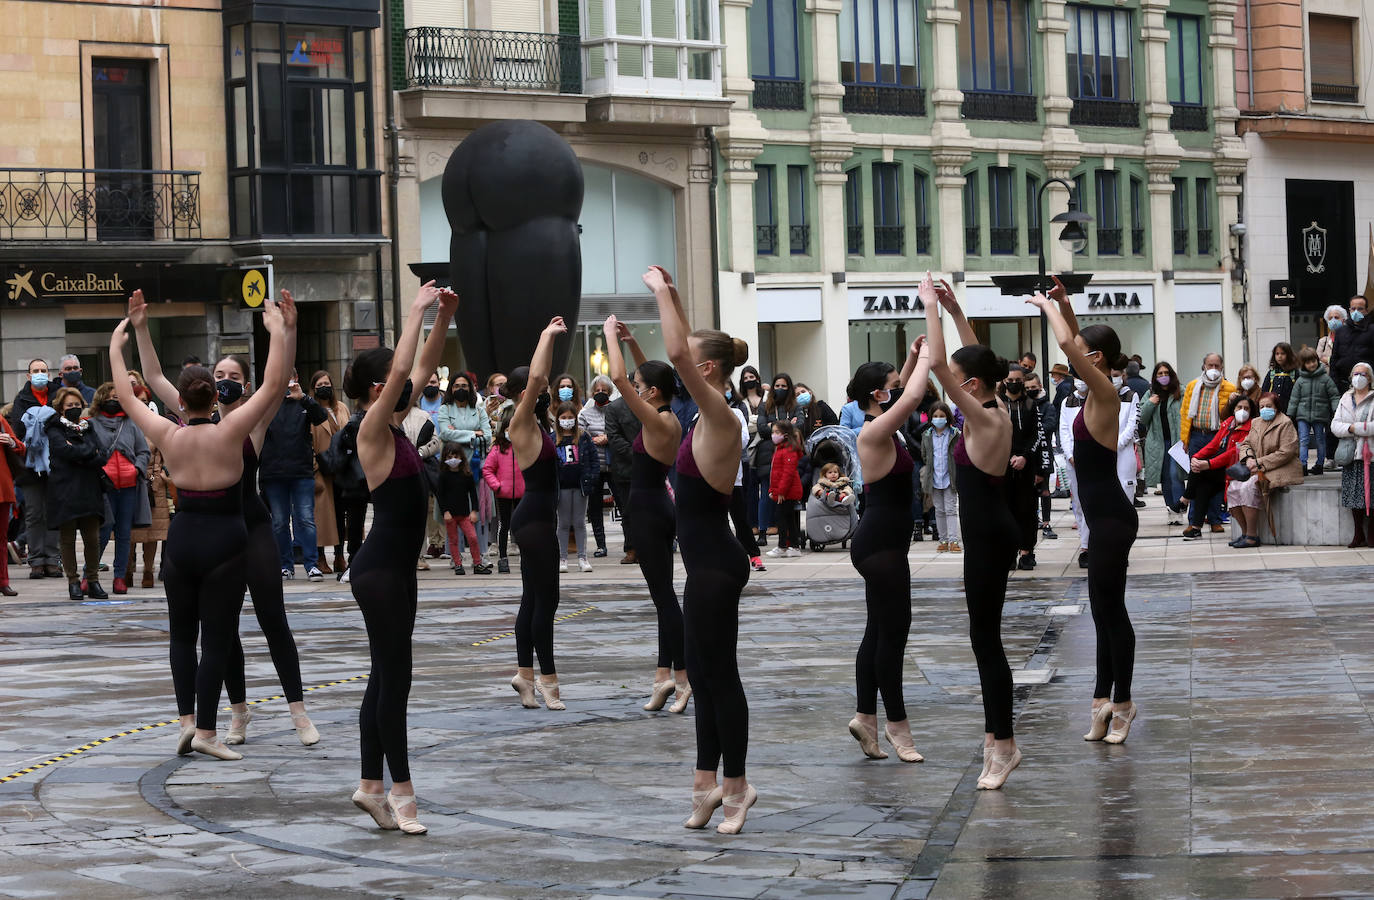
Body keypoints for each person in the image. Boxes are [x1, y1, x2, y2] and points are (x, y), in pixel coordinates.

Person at [111, 287, 296, 761]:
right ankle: (209, 733)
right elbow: (275, 386)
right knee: (216, 638)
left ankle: (187, 722)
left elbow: (138, 389)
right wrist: (279, 332)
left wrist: (124, 340)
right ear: (214, 394)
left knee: (180, 635)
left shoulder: (166, 431)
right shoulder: (231, 430)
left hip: (184, 537)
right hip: (225, 537)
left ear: (182, 398)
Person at [646, 265, 756, 834]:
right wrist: (678, 295)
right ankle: (704, 782)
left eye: (692, 362)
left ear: (706, 370)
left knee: (721, 679)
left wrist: (664, 292)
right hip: (705, 566)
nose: (679, 366)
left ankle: (737, 787)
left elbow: (681, 355)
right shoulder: (707, 413)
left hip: (716, 565)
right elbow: (690, 350)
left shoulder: (720, 416)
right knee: (703, 680)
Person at [343, 281, 455, 834]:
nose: (410, 385)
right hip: (380, 570)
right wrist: (413, 310)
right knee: (396, 681)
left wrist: (443, 318)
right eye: (394, 380)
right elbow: (406, 368)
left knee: (384, 678)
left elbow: (423, 365)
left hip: (394, 570)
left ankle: (369, 786)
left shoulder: (392, 424)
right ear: (376, 386)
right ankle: (404, 792)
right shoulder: (370, 428)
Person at [1028, 280, 1140, 745]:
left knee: (1111, 612)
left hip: (1113, 516)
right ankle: (1100, 700)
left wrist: (1046, 306)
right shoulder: (1092, 389)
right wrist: (1066, 305)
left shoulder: (1108, 395)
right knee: (1100, 610)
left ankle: (1125, 703)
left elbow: (1065, 344)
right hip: (1101, 516)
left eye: (1084, 353)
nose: (1076, 356)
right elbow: (1076, 344)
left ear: (1096, 359)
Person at [925, 276, 1020, 789]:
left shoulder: (983, 420)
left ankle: (1002, 744)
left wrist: (929, 310)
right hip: (989, 528)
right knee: (984, 636)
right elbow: (972, 359)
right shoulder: (995, 405)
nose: (952, 386)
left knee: (986, 640)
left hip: (987, 534)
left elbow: (942, 365)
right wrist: (956, 310)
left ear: (972, 386)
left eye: (961, 381)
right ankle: (997, 741)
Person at [847, 320, 933, 765]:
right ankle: (898, 727)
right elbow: (914, 397)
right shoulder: (873, 431)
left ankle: (865, 716)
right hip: (879, 544)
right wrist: (930, 350)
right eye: (890, 388)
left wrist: (914, 357)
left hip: (885, 541)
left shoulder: (883, 423)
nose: (897, 392)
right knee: (894, 634)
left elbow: (903, 394)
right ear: (875, 395)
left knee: (878, 630)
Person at [604, 315, 690, 713]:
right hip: (655, 505)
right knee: (663, 598)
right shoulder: (670, 414)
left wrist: (609, 337)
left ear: (652, 392)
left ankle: (682, 677)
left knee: (664, 599)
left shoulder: (655, 421)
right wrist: (633, 341)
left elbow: (620, 380)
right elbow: (649, 376)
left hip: (649, 509)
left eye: (642, 389)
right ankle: (664, 675)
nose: (634, 391)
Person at [504, 320, 567, 711]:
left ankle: (524, 676)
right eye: (540, 391)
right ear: (524, 394)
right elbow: (539, 374)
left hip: (539, 519)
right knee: (547, 601)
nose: (546, 393)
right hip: (533, 522)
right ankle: (549, 681)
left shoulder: (538, 425)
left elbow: (540, 378)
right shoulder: (520, 422)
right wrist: (544, 336)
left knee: (533, 600)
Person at [260, 370, 328, 581]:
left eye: (290, 376)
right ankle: (285, 564)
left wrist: (305, 398)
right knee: (279, 522)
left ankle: (311, 564)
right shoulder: (266, 403)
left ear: (296, 379)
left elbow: (321, 417)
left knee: (306, 519)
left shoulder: (303, 402)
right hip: (274, 472)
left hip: (302, 471)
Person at [87, 381, 151, 595]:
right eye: (109, 397)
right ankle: (90, 575)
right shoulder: (92, 424)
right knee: (103, 532)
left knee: (124, 534)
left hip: (129, 487)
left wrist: (136, 469)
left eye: (117, 397)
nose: (113, 401)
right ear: (101, 399)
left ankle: (119, 577)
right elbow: (87, 453)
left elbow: (144, 452)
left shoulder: (131, 423)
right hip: (104, 487)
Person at [45, 388, 108, 601]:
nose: (74, 408)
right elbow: (64, 451)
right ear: (61, 408)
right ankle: (73, 582)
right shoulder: (54, 428)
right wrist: (89, 452)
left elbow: (103, 455)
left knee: (92, 538)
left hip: (89, 489)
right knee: (68, 538)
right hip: (65, 491)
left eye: (77, 404)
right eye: (69, 405)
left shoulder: (88, 427)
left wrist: (81, 453)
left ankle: (92, 580)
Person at [8, 360, 62, 579]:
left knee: (53, 513)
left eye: (43, 371)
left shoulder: (58, 395)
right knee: (34, 514)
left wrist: (38, 419)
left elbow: (63, 423)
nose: (40, 374)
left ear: (49, 374)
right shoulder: (21, 399)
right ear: (28, 376)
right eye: (35, 371)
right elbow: (18, 429)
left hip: (55, 463)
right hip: (30, 466)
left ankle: (52, 559)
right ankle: (36, 560)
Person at [1231, 392, 1301, 548]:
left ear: (1276, 407)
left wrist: (1259, 462)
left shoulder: (1285, 423)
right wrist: (1248, 458)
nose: (1264, 409)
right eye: (1261, 407)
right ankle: (1244, 532)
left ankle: (1252, 536)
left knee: (1248, 487)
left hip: (1281, 467)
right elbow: (1246, 444)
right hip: (1257, 466)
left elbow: (1286, 452)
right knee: (1233, 488)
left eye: (1268, 406)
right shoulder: (1256, 422)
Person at [438, 372, 492, 562]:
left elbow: (486, 437)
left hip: (475, 466)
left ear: (470, 388)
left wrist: (458, 433)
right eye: (456, 386)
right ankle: (455, 554)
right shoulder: (445, 409)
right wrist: (472, 435)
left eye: (464, 386)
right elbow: (444, 433)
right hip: (451, 467)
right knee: (454, 511)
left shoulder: (478, 410)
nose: (460, 389)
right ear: (451, 389)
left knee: (478, 509)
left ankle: (482, 554)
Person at [1184, 395, 1255, 539]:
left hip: (1236, 469)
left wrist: (1208, 464)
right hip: (1222, 467)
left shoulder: (1251, 428)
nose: (1242, 411)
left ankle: (1185, 500)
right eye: (1239, 407)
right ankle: (1196, 527)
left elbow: (1232, 454)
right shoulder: (1228, 422)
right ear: (1233, 409)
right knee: (1203, 484)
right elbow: (1214, 445)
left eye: (1246, 408)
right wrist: (1197, 457)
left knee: (1201, 474)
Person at [1180, 354, 1237, 532]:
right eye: (1209, 365)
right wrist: (1185, 438)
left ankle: (1214, 519)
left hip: (1218, 437)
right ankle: (1193, 520)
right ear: (1203, 366)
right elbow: (1185, 413)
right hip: (1197, 436)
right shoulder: (1192, 386)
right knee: (1195, 477)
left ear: (1222, 367)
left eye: (1216, 365)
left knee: (1216, 479)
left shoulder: (1229, 388)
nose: (1213, 368)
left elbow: (1232, 415)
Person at [1001, 365, 1046, 570]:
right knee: (1006, 510)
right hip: (1003, 464)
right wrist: (1008, 456)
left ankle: (1027, 551)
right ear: (1004, 381)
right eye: (1010, 380)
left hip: (1026, 465)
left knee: (1027, 509)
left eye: (1017, 379)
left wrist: (1025, 457)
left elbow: (1038, 434)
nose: (1013, 383)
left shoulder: (1031, 404)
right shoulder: (998, 404)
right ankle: (1008, 551)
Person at [309, 371, 350, 575]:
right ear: (314, 388)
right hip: (322, 469)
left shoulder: (341, 407)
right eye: (319, 384)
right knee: (322, 517)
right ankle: (320, 557)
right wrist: (314, 466)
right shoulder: (310, 410)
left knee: (341, 514)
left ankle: (340, 556)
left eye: (327, 383)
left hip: (342, 468)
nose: (324, 387)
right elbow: (307, 441)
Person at [552, 401, 598, 574]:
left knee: (579, 522)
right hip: (562, 488)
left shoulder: (583, 436)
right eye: (563, 418)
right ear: (558, 419)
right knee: (563, 523)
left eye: (570, 417)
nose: (567, 420)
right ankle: (562, 558)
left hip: (580, 486)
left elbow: (594, 460)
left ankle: (582, 557)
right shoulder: (553, 439)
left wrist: (592, 478)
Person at [1331, 362, 1374, 547]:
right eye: (1355, 373)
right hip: (1351, 454)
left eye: (1363, 374)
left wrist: (1358, 428)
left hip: (1370, 454)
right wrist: (1350, 428)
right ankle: (1358, 533)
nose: (1358, 377)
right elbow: (1335, 425)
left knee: (1372, 495)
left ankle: (1372, 533)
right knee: (1353, 495)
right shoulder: (1346, 398)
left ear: (1370, 378)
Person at [1139, 362, 1185, 524]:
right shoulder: (1150, 394)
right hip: (1159, 443)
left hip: (1177, 442)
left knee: (1176, 475)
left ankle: (1178, 508)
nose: (1163, 376)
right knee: (1165, 478)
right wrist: (1151, 403)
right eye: (1160, 374)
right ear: (1155, 377)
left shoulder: (1181, 392)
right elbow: (1143, 420)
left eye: (1166, 373)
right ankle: (1171, 511)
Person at [481, 401, 523, 574]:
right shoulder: (498, 448)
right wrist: (496, 486)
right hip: (503, 493)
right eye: (506, 429)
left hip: (522, 492)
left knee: (521, 525)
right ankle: (503, 558)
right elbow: (488, 469)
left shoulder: (523, 447)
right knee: (504, 525)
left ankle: (525, 556)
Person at [437, 441, 490, 574]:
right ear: (444, 459)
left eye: (456, 456)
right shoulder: (443, 476)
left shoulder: (467, 475)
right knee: (453, 540)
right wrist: (445, 511)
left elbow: (473, 494)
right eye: (449, 458)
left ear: (461, 457)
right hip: (451, 516)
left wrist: (474, 511)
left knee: (472, 537)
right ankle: (458, 564)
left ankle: (477, 563)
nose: (453, 460)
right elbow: (440, 496)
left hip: (465, 514)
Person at [754, 373, 796, 542]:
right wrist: (787, 424)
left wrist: (774, 426)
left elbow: (799, 425)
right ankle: (762, 531)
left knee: (787, 494)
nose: (780, 389)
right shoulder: (765, 406)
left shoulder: (795, 405)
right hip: (767, 454)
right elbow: (762, 428)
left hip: (789, 452)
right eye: (777, 386)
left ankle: (787, 534)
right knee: (766, 493)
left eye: (784, 386)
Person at [1287, 346, 1341, 475]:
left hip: (1320, 414)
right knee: (1303, 439)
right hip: (1302, 415)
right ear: (1303, 364)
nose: (1311, 364)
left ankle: (1319, 464)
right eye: (1308, 362)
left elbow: (1334, 395)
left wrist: (1336, 410)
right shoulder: (1300, 381)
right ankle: (1303, 465)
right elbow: (1294, 399)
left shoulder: (1325, 379)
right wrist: (1290, 414)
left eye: (1313, 361)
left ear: (1317, 361)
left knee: (1320, 439)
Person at [578, 375, 615, 559]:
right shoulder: (585, 413)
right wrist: (595, 441)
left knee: (623, 504)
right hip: (594, 466)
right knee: (595, 508)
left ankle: (630, 544)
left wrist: (608, 437)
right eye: (597, 391)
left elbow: (621, 431)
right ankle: (601, 545)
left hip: (614, 465)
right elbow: (580, 436)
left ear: (610, 392)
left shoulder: (615, 410)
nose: (600, 393)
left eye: (604, 391)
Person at [602, 390, 640, 565]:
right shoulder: (614, 408)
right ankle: (631, 548)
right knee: (627, 511)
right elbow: (613, 437)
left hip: (649, 466)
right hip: (625, 468)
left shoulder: (647, 404)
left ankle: (648, 547)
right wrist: (638, 453)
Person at [129, 436, 171, 589]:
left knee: (152, 533)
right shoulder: (128, 429)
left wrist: (158, 478)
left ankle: (148, 571)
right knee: (129, 532)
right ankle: (128, 571)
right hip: (132, 480)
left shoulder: (155, 433)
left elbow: (164, 458)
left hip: (153, 486)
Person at [920, 402, 960, 551]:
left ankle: (953, 540)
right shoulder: (927, 435)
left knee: (950, 509)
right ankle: (943, 540)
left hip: (950, 477)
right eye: (935, 416)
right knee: (939, 509)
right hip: (934, 477)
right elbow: (924, 455)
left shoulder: (955, 434)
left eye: (942, 416)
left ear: (947, 417)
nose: (938, 419)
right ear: (931, 418)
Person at [766, 421, 804, 558]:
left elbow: (787, 474)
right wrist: (773, 490)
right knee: (787, 519)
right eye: (773, 432)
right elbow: (775, 473)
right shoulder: (781, 449)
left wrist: (781, 491)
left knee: (782, 518)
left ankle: (784, 545)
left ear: (785, 435)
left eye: (777, 432)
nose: (773, 435)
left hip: (787, 492)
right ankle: (793, 546)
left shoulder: (788, 451)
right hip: (784, 491)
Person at [0, 411, 25, 596]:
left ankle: (3, 581)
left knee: (1, 539)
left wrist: (10, 442)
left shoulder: (0, 420)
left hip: (2, 488)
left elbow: (20, 446)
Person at [1331, 295, 1374, 391]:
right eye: (1353, 308)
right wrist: (1335, 381)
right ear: (1349, 310)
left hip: (1367, 385)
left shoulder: (1372, 331)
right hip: (1343, 384)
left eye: (1360, 309)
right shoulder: (1341, 331)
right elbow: (1334, 358)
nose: (1356, 312)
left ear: (1366, 311)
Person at [1262, 342, 1298, 411]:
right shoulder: (1271, 373)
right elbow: (1264, 392)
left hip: (1290, 411)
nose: (1280, 356)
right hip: (1273, 410)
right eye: (1277, 354)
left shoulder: (1295, 372)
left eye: (1283, 353)